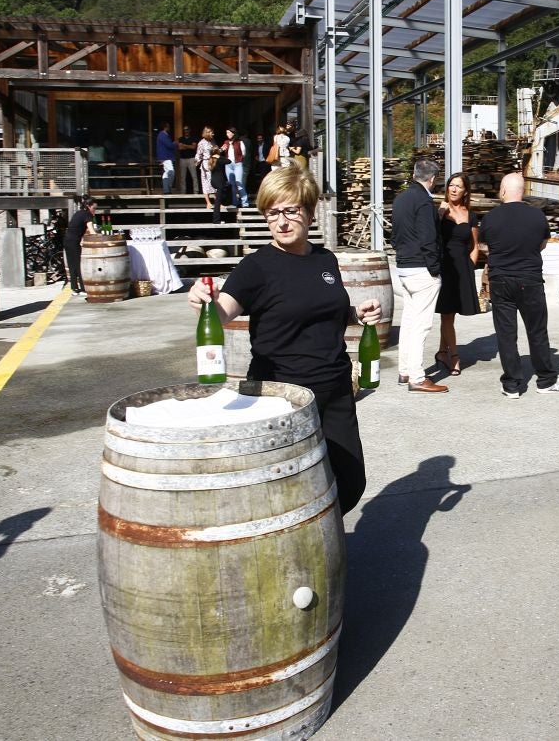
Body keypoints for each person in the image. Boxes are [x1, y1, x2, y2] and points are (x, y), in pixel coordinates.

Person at [187, 168, 380, 514]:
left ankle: (322, 536)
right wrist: (205, 301)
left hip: (335, 387)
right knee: (288, 492)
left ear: (310, 212)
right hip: (282, 395)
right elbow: (223, 312)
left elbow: (323, 310)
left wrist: (356, 314)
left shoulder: (325, 259)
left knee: (350, 482)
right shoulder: (256, 267)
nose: (282, 221)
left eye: (291, 210)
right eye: (272, 212)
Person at [480, 173, 559, 398]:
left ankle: (511, 385)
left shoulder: (490, 218)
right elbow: (542, 244)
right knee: (537, 330)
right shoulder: (537, 216)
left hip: (501, 279)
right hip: (530, 278)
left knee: (506, 333)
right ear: (522, 191)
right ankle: (546, 380)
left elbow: (485, 246)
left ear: (503, 191)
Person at [391, 158, 448, 393]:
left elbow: (394, 236)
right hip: (422, 268)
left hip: (404, 266)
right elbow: (428, 238)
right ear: (432, 179)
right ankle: (416, 377)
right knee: (421, 325)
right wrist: (435, 269)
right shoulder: (424, 201)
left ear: (415, 174)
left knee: (409, 321)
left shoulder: (401, 198)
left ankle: (405, 371)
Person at [434, 172, 481, 375]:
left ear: (465, 191)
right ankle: (454, 355)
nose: (454, 189)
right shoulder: (440, 210)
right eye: (451, 185)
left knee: (450, 314)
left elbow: (474, 245)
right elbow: (431, 237)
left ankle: (441, 352)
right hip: (444, 267)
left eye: (458, 186)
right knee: (446, 314)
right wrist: (439, 214)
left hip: (463, 268)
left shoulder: (470, 215)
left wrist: (470, 267)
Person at [63, 195, 98, 296]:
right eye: (94, 208)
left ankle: (74, 288)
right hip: (74, 241)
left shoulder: (79, 213)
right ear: (88, 206)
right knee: (78, 264)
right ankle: (83, 289)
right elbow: (91, 231)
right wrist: (100, 236)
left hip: (67, 240)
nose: (94, 211)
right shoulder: (87, 214)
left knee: (72, 264)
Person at [223, 128, 248, 207]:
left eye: (229, 132)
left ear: (233, 133)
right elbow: (221, 151)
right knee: (231, 184)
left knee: (238, 183)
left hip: (237, 164)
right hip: (228, 165)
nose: (227, 134)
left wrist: (239, 159)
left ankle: (245, 202)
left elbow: (243, 154)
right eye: (226, 132)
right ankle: (234, 202)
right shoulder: (226, 142)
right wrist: (222, 149)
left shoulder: (240, 142)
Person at [209, 142, 232, 224]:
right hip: (219, 182)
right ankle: (216, 220)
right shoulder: (219, 160)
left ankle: (226, 202)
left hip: (213, 181)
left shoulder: (211, 159)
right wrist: (220, 155)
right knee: (217, 202)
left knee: (228, 186)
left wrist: (219, 152)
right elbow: (229, 161)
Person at [195, 127, 217, 210]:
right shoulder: (201, 143)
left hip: (213, 163)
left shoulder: (213, 141)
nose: (213, 134)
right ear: (207, 133)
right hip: (206, 164)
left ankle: (218, 202)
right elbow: (198, 154)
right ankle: (208, 203)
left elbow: (216, 151)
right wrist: (197, 162)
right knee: (206, 183)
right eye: (211, 132)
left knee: (215, 182)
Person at [155, 121, 176, 194]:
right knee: (171, 172)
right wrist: (175, 143)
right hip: (165, 157)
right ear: (165, 127)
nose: (169, 127)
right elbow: (169, 145)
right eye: (168, 126)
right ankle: (168, 187)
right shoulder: (162, 135)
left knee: (166, 173)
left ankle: (166, 190)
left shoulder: (163, 135)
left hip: (165, 156)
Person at [177, 126, 199, 195]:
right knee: (182, 177)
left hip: (191, 158)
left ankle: (196, 191)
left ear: (190, 130)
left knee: (194, 176)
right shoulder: (181, 138)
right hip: (182, 159)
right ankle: (183, 192)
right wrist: (189, 146)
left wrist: (184, 145)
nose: (186, 131)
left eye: (187, 129)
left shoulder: (193, 138)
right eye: (184, 130)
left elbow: (193, 147)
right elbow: (180, 148)